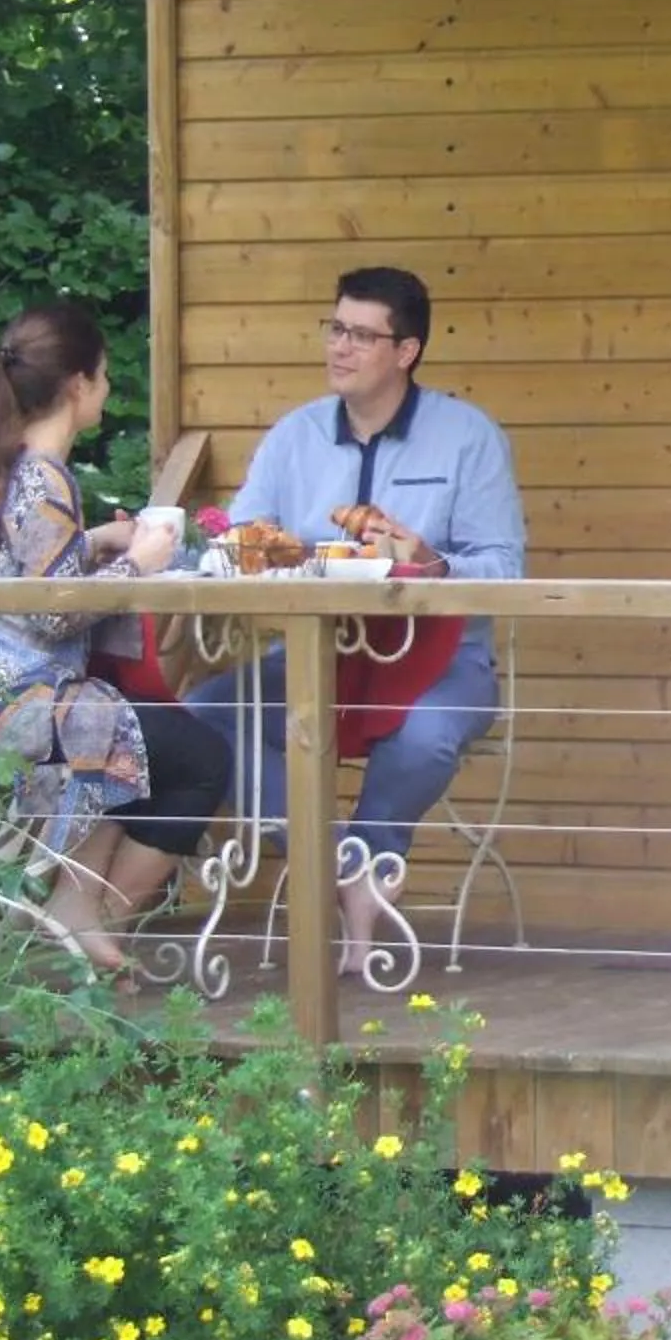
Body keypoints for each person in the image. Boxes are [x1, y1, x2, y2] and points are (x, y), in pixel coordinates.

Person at [186, 265, 525, 969]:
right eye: (336, 329)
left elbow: (505, 571)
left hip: (443, 657)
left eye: (362, 335)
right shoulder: (294, 436)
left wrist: (432, 562)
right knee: (204, 714)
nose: (340, 347)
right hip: (319, 656)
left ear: (406, 351)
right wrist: (256, 553)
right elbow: (242, 539)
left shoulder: (469, 438)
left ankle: (366, 864)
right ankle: (340, 868)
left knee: (425, 738)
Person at [0, 302, 234, 978]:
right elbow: (56, 613)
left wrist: (100, 540)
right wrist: (141, 564)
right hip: (12, 710)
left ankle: (75, 912)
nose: (106, 389)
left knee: (146, 736)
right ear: (76, 385)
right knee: (200, 758)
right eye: (103, 376)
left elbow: (28, 574)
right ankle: (82, 923)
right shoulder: (42, 476)